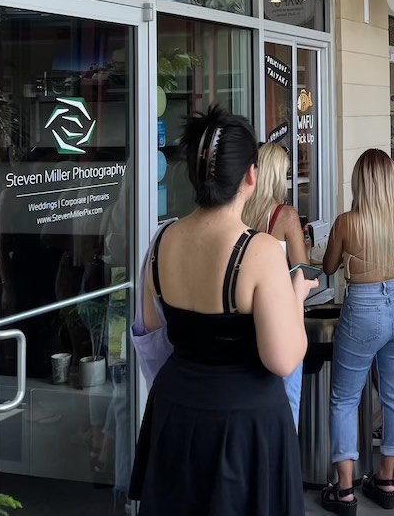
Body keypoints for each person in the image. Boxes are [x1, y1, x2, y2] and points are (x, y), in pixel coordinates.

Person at [129, 105, 314, 515]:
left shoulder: (161, 242)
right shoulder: (259, 250)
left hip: (174, 410)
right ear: (251, 176)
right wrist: (295, 300)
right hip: (244, 421)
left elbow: (153, 332)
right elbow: (282, 360)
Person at [320, 150, 394, 513]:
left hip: (363, 306)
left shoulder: (347, 222)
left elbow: (329, 266)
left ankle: (344, 489)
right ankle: (386, 479)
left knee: (345, 398)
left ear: (360, 182)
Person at [242, 142, 309, 425]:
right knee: (287, 399)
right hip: (281, 317)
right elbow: (301, 268)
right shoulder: (285, 215)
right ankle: (284, 465)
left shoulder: (240, 210)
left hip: (244, 315)